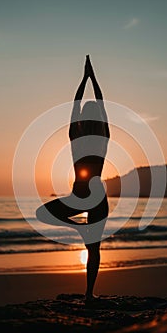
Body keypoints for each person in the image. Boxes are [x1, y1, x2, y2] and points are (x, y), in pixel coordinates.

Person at [36, 55, 110, 302]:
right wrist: (93, 78)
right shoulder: (103, 136)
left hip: (80, 194)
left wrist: (84, 78)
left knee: (42, 213)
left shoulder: (75, 136)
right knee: (95, 248)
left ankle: (80, 230)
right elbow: (100, 103)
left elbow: (77, 104)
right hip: (97, 194)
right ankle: (89, 293)